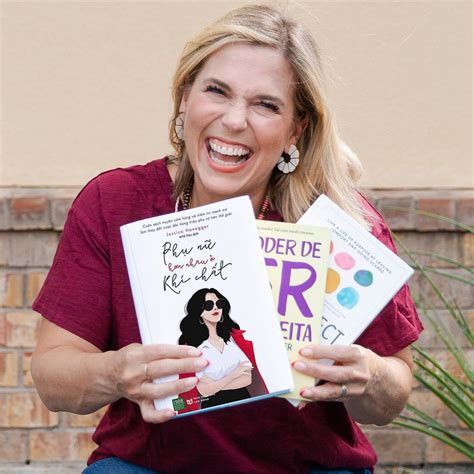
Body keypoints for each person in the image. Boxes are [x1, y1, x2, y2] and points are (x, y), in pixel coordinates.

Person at [31, 4, 423, 473]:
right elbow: (52, 376)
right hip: (148, 467)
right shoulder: (114, 203)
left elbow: (392, 394)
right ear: (185, 98)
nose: (235, 120)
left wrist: (371, 376)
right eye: (217, 91)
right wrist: (116, 373)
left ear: (296, 129)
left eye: (266, 105)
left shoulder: (343, 225)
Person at [177, 288, 268, 410]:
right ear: (199, 312)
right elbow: (203, 390)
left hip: (243, 401)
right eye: (209, 305)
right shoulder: (194, 348)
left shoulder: (233, 339)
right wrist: (234, 374)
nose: (215, 308)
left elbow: (247, 378)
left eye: (219, 304)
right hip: (212, 408)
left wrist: (214, 386)